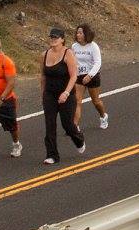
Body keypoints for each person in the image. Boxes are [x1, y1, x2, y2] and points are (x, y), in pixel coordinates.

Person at [40, 27, 87, 164]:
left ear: (62, 39)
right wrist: (42, 94)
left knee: (67, 124)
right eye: (51, 37)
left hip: (66, 94)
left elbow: (74, 76)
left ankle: (78, 139)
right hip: (50, 94)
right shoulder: (44, 54)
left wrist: (66, 93)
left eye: (56, 37)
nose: (53, 40)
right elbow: (43, 76)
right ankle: (52, 155)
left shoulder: (68, 54)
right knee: (50, 125)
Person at [71, 23, 109, 131]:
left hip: (92, 76)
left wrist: (90, 75)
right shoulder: (74, 46)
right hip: (79, 77)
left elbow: (98, 63)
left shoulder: (93, 46)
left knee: (96, 101)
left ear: (86, 34)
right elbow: (73, 61)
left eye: (80, 33)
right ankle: (75, 126)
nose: (78, 35)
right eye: (77, 33)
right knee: (77, 101)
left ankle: (103, 116)